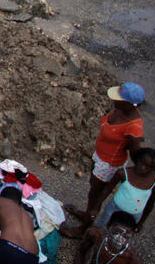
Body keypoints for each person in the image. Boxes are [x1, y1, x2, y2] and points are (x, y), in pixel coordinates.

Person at [62, 82, 145, 238]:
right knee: (93, 189)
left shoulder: (133, 127)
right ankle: (87, 214)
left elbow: (136, 153)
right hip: (101, 156)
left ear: (129, 104)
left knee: (96, 195)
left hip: (109, 164)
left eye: (118, 99)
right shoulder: (121, 110)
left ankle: (84, 227)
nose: (114, 100)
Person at [94, 147, 155, 232]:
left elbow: (149, 205)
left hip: (134, 216)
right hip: (113, 209)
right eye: (141, 162)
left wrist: (141, 223)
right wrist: (95, 207)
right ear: (137, 159)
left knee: (121, 236)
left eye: (148, 167)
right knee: (100, 229)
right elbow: (107, 190)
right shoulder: (123, 173)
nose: (143, 168)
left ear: (154, 169)